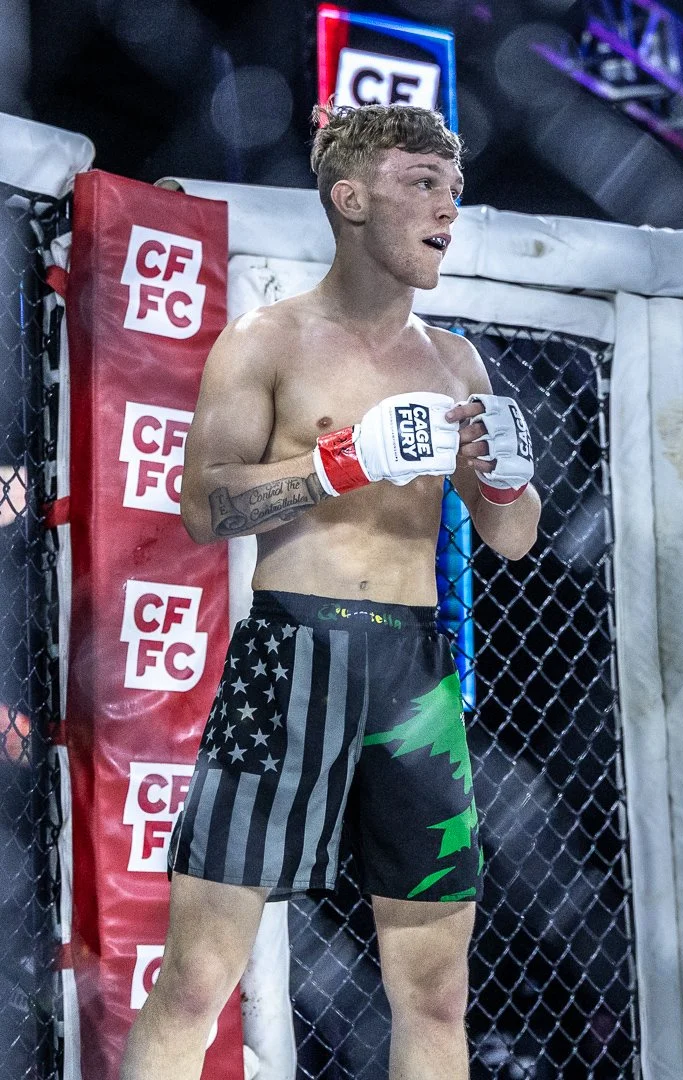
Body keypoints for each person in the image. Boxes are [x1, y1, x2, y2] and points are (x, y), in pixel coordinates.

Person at [119, 103, 540, 1080]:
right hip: (290, 653)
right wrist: (336, 465)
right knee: (198, 977)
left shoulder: (455, 362)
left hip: (416, 673)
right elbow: (204, 509)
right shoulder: (265, 341)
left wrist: (507, 481)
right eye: (422, 183)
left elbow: (512, 540)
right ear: (350, 200)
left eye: (454, 188)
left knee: (435, 993)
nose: (448, 206)